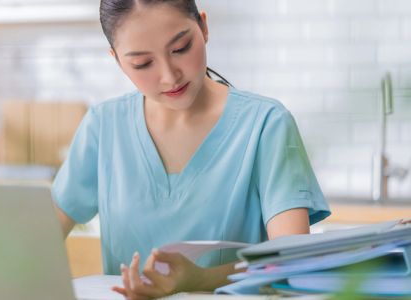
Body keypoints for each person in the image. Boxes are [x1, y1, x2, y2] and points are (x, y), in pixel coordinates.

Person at [52, 0, 331, 299]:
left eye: (181, 47)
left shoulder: (266, 123)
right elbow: (35, 242)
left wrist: (200, 279)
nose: (170, 76)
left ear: (204, 27)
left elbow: (290, 261)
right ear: (118, 60)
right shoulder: (103, 126)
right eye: (143, 64)